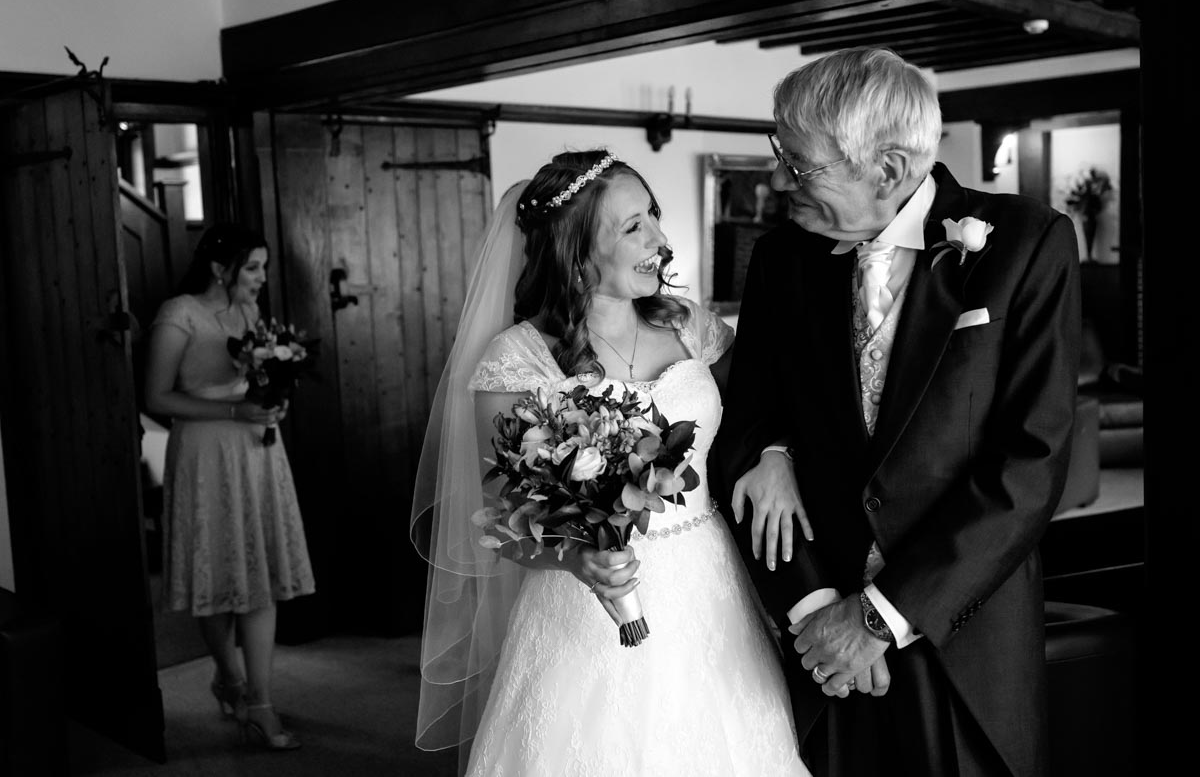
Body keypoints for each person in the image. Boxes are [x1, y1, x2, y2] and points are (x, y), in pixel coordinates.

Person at [713, 46, 1081, 777]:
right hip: (822, 652)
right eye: (778, 153)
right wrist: (817, 604)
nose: (778, 181)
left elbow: (1031, 463)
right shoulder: (781, 259)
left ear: (886, 169)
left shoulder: (1027, 244)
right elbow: (743, 420)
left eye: (802, 165)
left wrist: (878, 617)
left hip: (962, 639)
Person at [410, 150, 811, 776]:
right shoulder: (516, 361)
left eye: (653, 215)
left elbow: (765, 418)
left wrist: (774, 453)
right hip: (582, 607)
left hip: (712, 587)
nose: (660, 240)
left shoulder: (693, 330)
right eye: (634, 227)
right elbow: (501, 522)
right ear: (575, 251)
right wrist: (577, 557)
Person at [144, 222, 316, 751]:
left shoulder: (248, 314)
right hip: (203, 454)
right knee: (216, 571)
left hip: (257, 451)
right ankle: (230, 677)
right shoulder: (180, 314)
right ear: (221, 269)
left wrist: (271, 401)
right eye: (253, 267)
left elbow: (256, 380)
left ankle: (260, 702)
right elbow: (157, 397)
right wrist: (234, 408)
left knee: (260, 570)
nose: (262, 278)